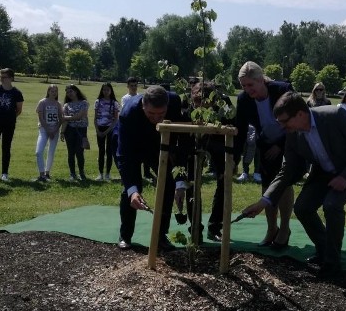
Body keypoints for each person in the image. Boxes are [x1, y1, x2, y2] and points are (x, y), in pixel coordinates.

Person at [242, 92, 346, 278]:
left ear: (300, 114)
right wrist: (264, 201)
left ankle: (332, 263)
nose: (283, 127)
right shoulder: (292, 134)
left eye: (285, 121)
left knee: (332, 205)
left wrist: (345, 177)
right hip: (324, 172)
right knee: (302, 207)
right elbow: (288, 170)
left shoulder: (335, 116)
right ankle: (324, 250)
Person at [116, 85, 188, 252]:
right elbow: (124, 156)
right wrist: (132, 190)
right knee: (131, 189)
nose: (156, 118)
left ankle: (160, 235)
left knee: (168, 183)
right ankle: (125, 236)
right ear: (143, 105)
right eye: (151, 114)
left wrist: (179, 180)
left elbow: (181, 139)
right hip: (132, 147)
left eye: (161, 114)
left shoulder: (175, 102)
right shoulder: (128, 114)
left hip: (158, 146)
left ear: (167, 106)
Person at [235, 61, 294, 249]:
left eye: (250, 85)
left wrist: (281, 146)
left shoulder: (282, 90)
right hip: (266, 145)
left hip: (289, 142)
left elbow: (297, 119)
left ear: (261, 80)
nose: (247, 89)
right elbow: (240, 131)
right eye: (243, 86)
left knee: (284, 185)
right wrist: (234, 160)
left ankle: (285, 229)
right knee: (267, 186)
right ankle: (271, 229)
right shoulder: (244, 100)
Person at [180, 81, 235, 242]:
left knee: (223, 182)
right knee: (191, 182)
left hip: (219, 143)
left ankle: (215, 227)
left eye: (203, 102)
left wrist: (232, 159)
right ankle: (195, 228)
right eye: (195, 102)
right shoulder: (188, 102)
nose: (199, 106)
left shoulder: (223, 103)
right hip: (194, 143)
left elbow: (233, 125)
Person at [60, 84, 89, 181]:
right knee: (71, 153)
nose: (69, 94)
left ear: (76, 91)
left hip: (81, 130)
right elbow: (64, 120)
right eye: (67, 92)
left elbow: (81, 115)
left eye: (71, 91)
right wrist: (62, 132)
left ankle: (81, 173)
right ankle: (72, 174)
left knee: (80, 152)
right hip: (70, 131)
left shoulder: (84, 103)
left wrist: (68, 118)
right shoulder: (66, 105)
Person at [34, 85, 63, 181]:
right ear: (48, 91)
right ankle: (41, 174)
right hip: (44, 130)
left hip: (55, 131)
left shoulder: (58, 104)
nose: (54, 93)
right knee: (39, 152)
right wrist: (48, 130)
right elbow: (41, 118)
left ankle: (47, 174)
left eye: (56, 91)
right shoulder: (42, 102)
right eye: (52, 91)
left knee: (51, 152)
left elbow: (60, 119)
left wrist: (55, 130)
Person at [94, 82, 120, 181]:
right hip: (100, 128)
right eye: (104, 90)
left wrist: (108, 130)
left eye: (107, 90)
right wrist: (97, 129)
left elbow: (115, 119)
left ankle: (107, 174)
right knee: (101, 151)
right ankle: (100, 174)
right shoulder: (98, 101)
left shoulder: (114, 103)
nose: (106, 92)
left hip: (110, 129)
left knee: (109, 151)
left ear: (111, 91)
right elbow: (95, 117)